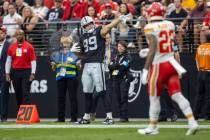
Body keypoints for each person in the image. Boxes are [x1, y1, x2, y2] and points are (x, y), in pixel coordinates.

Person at [137, 2, 198, 135]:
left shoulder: (149, 27)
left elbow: (154, 49)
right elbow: (163, 45)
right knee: (177, 95)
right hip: (171, 63)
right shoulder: (169, 24)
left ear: (151, 13)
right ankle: (192, 121)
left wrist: (145, 69)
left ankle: (153, 127)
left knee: (154, 97)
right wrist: (148, 50)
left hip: (159, 66)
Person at [75, 15, 127, 124]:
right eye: (85, 25)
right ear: (83, 26)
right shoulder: (82, 37)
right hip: (86, 65)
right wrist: (74, 52)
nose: (88, 26)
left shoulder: (99, 30)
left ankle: (109, 117)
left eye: (89, 24)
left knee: (102, 91)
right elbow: (82, 55)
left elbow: (108, 27)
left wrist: (119, 19)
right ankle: (86, 117)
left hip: (97, 64)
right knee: (87, 92)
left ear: (93, 23)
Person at [50, 34, 80, 123]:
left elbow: (79, 66)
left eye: (67, 42)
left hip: (72, 77)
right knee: (60, 98)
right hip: (60, 77)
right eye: (63, 43)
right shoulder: (56, 53)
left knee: (73, 98)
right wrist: (53, 65)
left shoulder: (75, 53)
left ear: (70, 43)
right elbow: (53, 68)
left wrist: (78, 65)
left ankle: (74, 118)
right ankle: (60, 118)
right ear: (61, 43)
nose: (65, 44)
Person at [5, 29, 36, 109]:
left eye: (21, 34)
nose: (19, 36)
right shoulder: (11, 47)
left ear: (24, 35)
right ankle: (20, 112)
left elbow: (33, 61)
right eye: (18, 34)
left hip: (26, 71)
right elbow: (8, 61)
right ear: (15, 36)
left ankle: (26, 113)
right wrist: (7, 73)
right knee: (18, 93)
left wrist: (33, 73)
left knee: (25, 92)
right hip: (15, 72)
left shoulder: (29, 46)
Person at [109, 40, 132, 122]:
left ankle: (124, 117)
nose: (120, 48)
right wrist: (117, 65)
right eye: (118, 46)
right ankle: (121, 116)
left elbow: (123, 67)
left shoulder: (128, 56)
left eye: (122, 46)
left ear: (125, 47)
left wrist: (115, 65)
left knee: (123, 98)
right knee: (118, 98)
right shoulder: (115, 56)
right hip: (115, 78)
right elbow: (110, 66)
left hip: (124, 78)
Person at [193, 34, 210, 120]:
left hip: (200, 73)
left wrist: (199, 69)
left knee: (199, 95)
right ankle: (207, 115)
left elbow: (196, 60)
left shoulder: (199, 47)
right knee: (208, 95)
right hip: (208, 72)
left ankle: (195, 114)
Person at [0, 26, 10, 122]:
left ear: (5, 34)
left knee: (4, 96)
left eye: (2, 33)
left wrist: (8, 73)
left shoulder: (9, 46)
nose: (0, 35)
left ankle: (3, 117)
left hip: (4, 74)